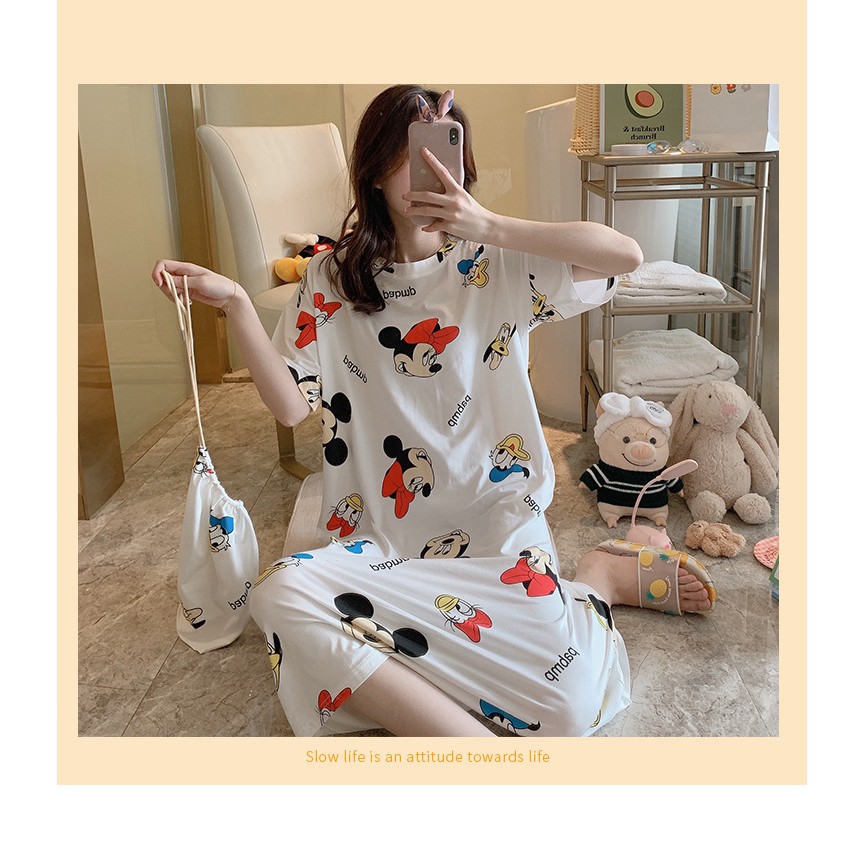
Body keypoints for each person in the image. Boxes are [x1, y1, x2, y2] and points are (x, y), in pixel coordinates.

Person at [152, 85, 712, 738]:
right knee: (279, 594)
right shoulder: (331, 278)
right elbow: (288, 404)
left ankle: (596, 580)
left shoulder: (496, 261)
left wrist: (489, 225)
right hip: (384, 544)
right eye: (412, 148)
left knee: (563, 711)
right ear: (375, 169)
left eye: (445, 146)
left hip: (498, 529)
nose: (432, 166)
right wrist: (236, 304)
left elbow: (625, 255)